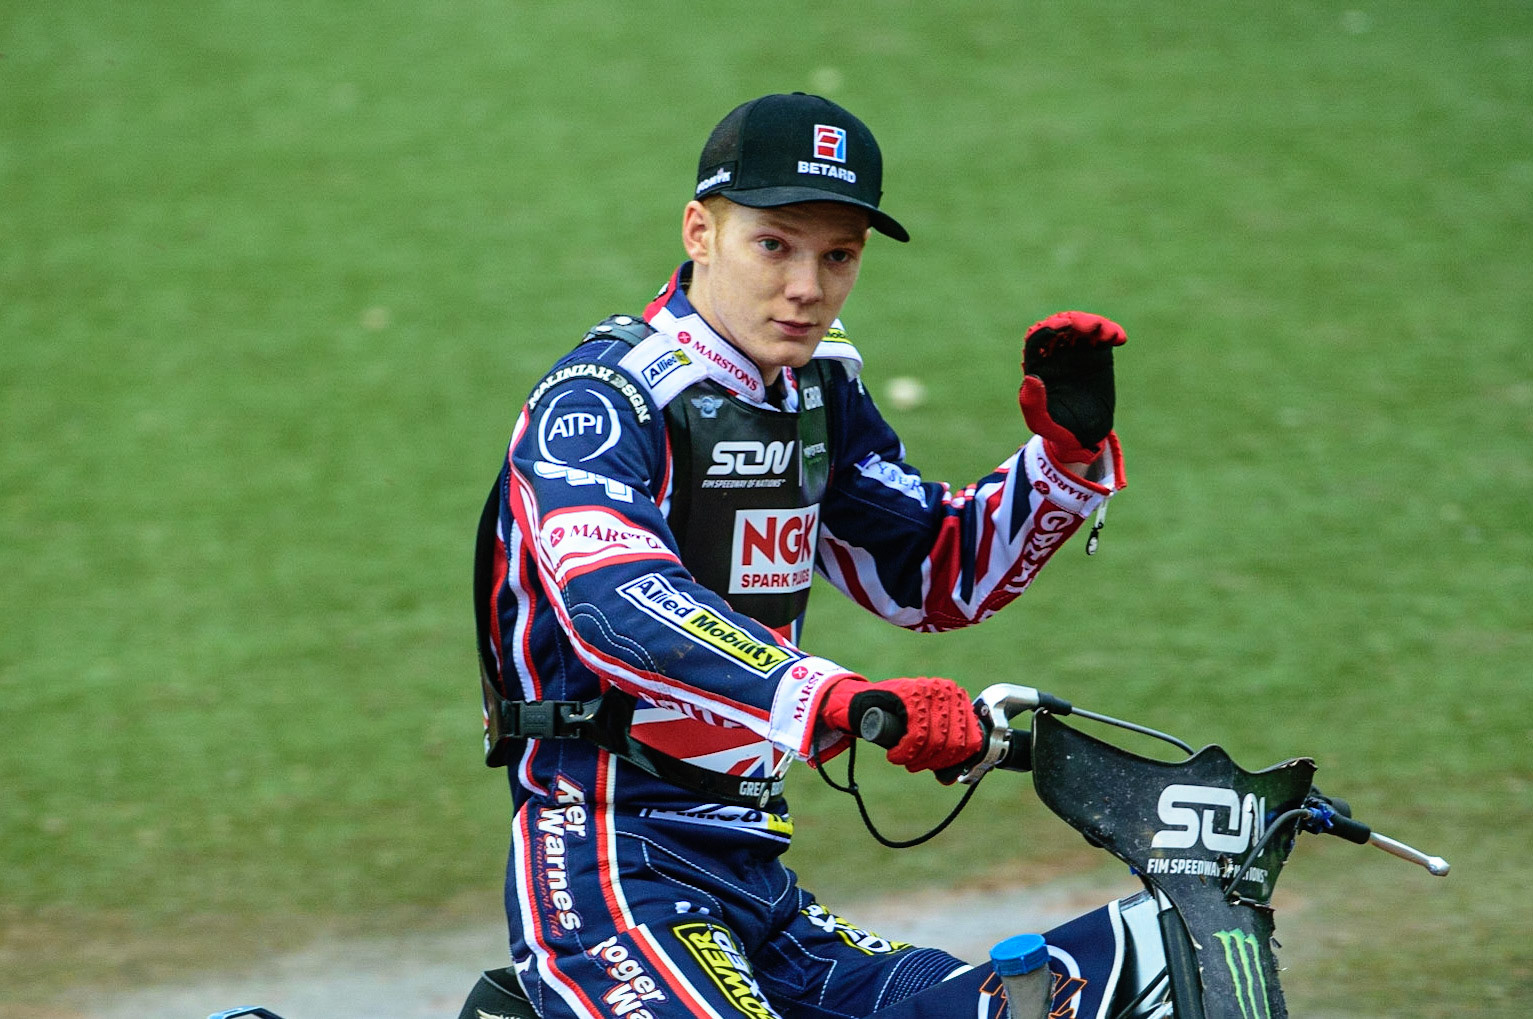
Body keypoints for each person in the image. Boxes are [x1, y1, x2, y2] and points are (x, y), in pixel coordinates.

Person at [470, 92, 1127, 1019]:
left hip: (754, 871)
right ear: (700, 231)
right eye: (774, 245)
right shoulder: (601, 399)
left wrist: (1062, 462)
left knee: (1026, 1002)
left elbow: (934, 570)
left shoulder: (813, 395)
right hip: (608, 861)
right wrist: (836, 697)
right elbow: (617, 604)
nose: (807, 288)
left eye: (838, 255)